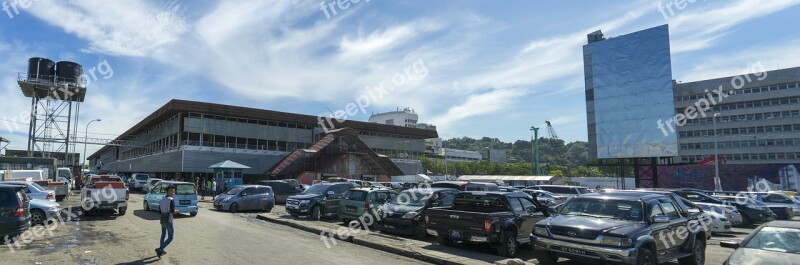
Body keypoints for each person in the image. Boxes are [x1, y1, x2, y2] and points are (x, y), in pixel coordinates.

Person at [156, 185, 179, 258]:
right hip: (169, 221)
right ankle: (160, 249)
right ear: (168, 191)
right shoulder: (171, 200)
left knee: (163, 235)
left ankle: (161, 250)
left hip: (162, 220)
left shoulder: (161, 200)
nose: (174, 193)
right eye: (172, 191)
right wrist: (177, 211)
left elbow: (160, 211)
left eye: (174, 191)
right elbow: (172, 211)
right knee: (170, 237)